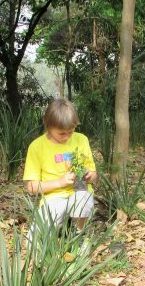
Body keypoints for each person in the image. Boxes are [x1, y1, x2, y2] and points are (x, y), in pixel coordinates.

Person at [23, 99, 98, 232]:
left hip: (79, 192)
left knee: (83, 200)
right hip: (53, 197)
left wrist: (89, 175)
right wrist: (60, 182)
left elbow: (93, 176)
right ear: (47, 125)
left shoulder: (81, 140)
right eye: (61, 133)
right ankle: (60, 231)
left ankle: (79, 235)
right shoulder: (37, 146)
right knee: (34, 240)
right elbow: (31, 187)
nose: (67, 137)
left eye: (71, 131)